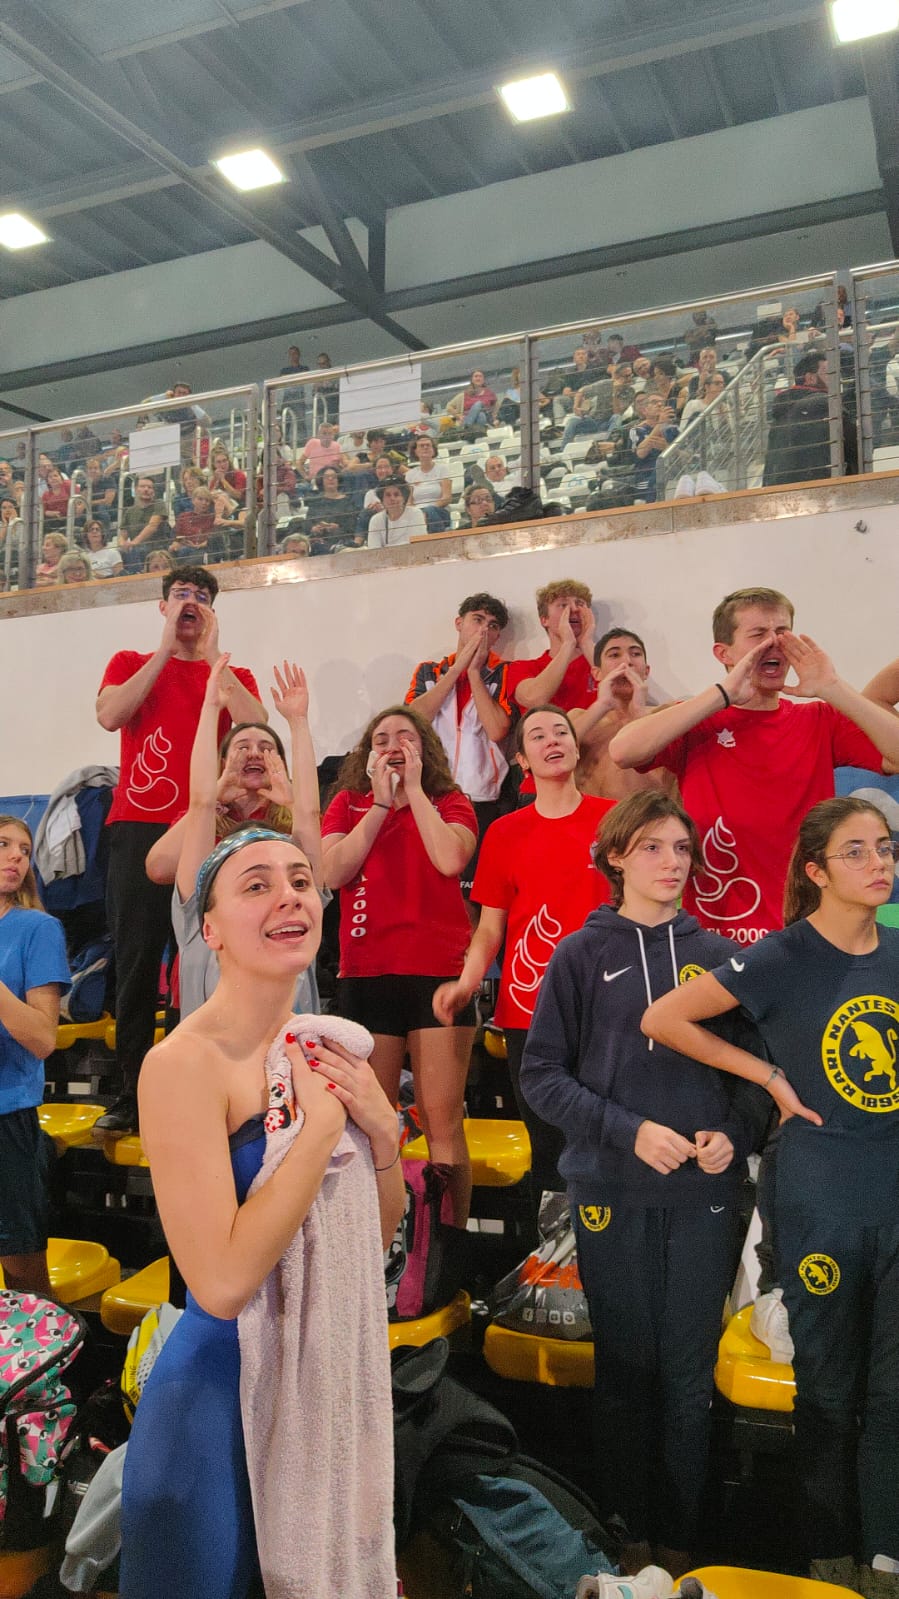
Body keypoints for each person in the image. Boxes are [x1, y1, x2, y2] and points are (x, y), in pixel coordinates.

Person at [119, 828, 404, 1599]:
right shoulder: (181, 1064)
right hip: (212, 1422)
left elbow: (369, 1240)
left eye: (302, 880)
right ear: (208, 929)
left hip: (314, 1400)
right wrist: (320, 1128)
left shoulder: (322, 1050)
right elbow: (219, 1283)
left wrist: (385, 1136)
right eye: (256, 884)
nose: (289, 897)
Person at [642, 796, 899, 1592]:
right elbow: (664, 1016)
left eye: (885, 847)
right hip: (819, 1200)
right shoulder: (782, 955)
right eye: (856, 851)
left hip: (893, 1196)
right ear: (816, 870)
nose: (879, 863)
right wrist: (766, 1074)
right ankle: (826, 1560)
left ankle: (884, 1562)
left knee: (893, 1393)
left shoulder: (897, 951)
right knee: (826, 1395)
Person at [521, 791, 769, 1576]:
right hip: (611, 1190)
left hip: (701, 1197)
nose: (672, 862)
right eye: (653, 846)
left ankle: (682, 1546)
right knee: (625, 1376)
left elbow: (758, 1076)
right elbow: (539, 1074)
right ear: (615, 856)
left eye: (682, 848)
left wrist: (733, 1135)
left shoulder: (722, 954)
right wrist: (627, 1130)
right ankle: (628, 1546)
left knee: (688, 1381)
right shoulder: (578, 954)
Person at [609, 586, 899, 943]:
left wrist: (832, 686)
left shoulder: (819, 719)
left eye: (783, 632)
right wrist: (723, 693)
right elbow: (623, 751)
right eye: (759, 634)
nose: (773, 643)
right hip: (720, 931)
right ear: (724, 653)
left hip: (809, 927)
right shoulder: (697, 720)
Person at [95, 567, 264, 1136]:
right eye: (181, 595)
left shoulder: (232, 674)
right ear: (163, 606)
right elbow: (110, 715)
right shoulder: (129, 661)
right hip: (139, 827)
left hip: (208, 828)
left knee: (202, 959)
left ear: (213, 610)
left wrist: (213, 659)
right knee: (137, 962)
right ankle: (131, 1094)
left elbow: (258, 730)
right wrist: (167, 649)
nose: (191, 602)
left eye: (202, 596)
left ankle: (195, 1088)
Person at [433, 706, 614, 1210]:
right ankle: (553, 1253)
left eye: (561, 732)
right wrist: (467, 982)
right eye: (537, 736)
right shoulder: (505, 832)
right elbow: (491, 928)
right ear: (522, 760)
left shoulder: (615, 820)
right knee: (550, 1148)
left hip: (607, 1005)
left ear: (576, 746)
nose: (552, 740)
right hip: (529, 1011)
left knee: (610, 1141)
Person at [321, 706, 477, 1226]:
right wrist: (381, 805)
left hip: (438, 975)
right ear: (367, 754)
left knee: (441, 1121)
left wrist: (413, 791)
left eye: (405, 737)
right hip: (367, 974)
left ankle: (447, 1246)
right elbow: (332, 871)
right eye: (381, 737)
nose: (392, 744)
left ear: (423, 749)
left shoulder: (451, 802)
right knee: (371, 1122)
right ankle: (379, 1242)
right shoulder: (348, 803)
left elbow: (450, 859)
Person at [146, 656, 323, 1021]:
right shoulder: (200, 915)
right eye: (242, 746)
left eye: (266, 747)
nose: (254, 753)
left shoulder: (295, 889)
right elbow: (194, 811)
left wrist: (298, 723)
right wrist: (210, 709)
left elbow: (309, 814)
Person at [0, 816, 70, 1297]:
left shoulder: (36, 928)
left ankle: (44, 1350)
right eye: (4, 845)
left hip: (8, 1115)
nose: (16, 857)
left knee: (24, 1274)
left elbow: (44, 1038)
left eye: (24, 850)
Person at [405, 593, 513, 896]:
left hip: (481, 799)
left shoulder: (503, 672)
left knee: (470, 895)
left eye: (492, 626)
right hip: (430, 793)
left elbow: (497, 730)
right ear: (459, 623)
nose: (483, 630)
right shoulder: (429, 670)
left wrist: (475, 673)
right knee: (426, 889)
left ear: (498, 636)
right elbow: (413, 720)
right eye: (477, 620)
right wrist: (456, 671)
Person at [571, 628, 676, 801]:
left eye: (635, 654)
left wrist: (639, 713)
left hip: (655, 813)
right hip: (595, 814)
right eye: (614, 655)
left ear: (646, 671)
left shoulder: (668, 714)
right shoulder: (579, 718)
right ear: (596, 673)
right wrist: (602, 705)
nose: (626, 662)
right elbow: (555, 750)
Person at [506, 578, 598, 718]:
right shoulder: (522, 668)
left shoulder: (604, 661)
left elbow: (623, 695)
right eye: (563, 605)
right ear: (545, 620)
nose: (574, 609)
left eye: (580, 604)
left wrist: (587, 643)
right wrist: (568, 644)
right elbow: (535, 699)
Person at [405, 435, 452, 532]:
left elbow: (447, 497)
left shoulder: (442, 469)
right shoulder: (410, 475)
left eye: (428, 445)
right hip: (418, 513)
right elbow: (409, 502)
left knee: (430, 511)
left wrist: (427, 511)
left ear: (433, 450)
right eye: (422, 446)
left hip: (439, 511)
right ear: (415, 451)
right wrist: (418, 513)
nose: (425, 447)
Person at [366, 478, 426, 548]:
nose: (392, 498)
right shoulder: (375, 520)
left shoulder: (415, 514)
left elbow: (418, 544)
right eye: (388, 495)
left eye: (396, 494)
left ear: (404, 498)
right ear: (382, 499)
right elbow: (374, 548)